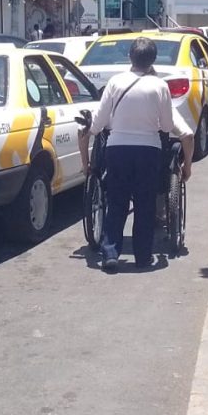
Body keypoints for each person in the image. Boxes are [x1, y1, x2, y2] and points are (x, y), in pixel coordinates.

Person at [84, 37, 184, 272]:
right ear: (152, 61)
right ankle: (143, 256)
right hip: (148, 151)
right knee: (145, 204)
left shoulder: (116, 82)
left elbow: (99, 121)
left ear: (130, 57)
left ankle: (110, 253)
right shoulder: (159, 86)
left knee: (116, 202)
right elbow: (168, 125)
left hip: (117, 148)